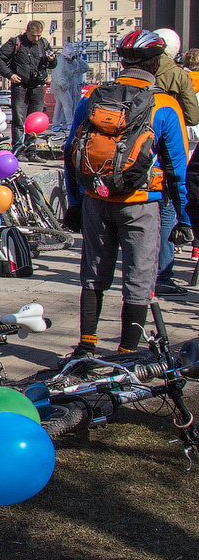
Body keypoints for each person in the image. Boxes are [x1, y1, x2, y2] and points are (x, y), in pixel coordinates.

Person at [62, 29, 189, 357]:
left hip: (95, 201)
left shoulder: (94, 98)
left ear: (122, 61)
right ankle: (127, 354)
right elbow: (177, 170)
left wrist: (75, 202)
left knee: (93, 275)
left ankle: (86, 348)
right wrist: (185, 218)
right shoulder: (164, 104)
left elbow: (69, 150)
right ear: (158, 62)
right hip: (141, 203)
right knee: (139, 279)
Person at [147, 29, 199, 296]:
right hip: (169, 147)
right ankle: (163, 274)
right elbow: (192, 116)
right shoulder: (179, 74)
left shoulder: (141, 67)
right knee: (169, 210)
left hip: (138, 151)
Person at [0, 20, 58, 146]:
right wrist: (9, 75)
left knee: (34, 121)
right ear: (27, 31)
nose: (36, 38)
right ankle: (18, 149)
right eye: (34, 35)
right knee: (19, 120)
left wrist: (52, 60)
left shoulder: (43, 43)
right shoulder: (15, 42)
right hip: (20, 87)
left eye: (39, 35)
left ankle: (31, 150)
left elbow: (53, 65)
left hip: (37, 87)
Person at [49, 41, 90, 132]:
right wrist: (64, 84)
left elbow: (85, 68)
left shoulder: (72, 62)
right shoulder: (61, 61)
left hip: (67, 86)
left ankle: (58, 123)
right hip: (61, 86)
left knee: (60, 104)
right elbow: (59, 74)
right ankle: (69, 123)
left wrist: (78, 59)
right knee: (68, 103)